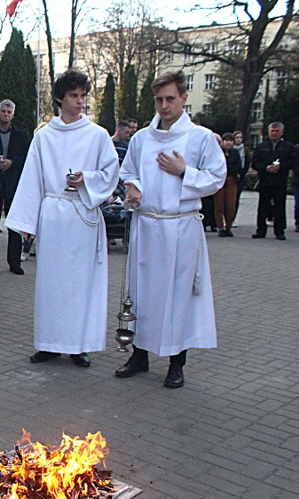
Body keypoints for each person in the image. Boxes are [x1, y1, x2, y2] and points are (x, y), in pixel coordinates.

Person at [115, 70, 226, 388]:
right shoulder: (141, 138)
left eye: (170, 99)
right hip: (147, 226)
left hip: (179, 228)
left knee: (177, 297)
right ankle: (139, 355)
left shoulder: (201, 138)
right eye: (159, 100)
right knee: (142, 294)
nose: (164, 106)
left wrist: (185, 172)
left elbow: (216, 177)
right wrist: (133, 187)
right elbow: (129, 170)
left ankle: (177, 363)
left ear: (183, 98)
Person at [5, 69, 119, 369]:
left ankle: (79, 345)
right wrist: (26, 225)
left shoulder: (97, 135)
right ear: (59, 98)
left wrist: (87, 179)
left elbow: (110, 173)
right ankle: (50, 343)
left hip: (82, 215)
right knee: (51, 284)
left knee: (81, 284)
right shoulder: (44, 137)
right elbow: (32, 179)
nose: (80, 102)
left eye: (83, 95)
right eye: (73, 96)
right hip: (54, 214)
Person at [0, 99, 31, 275]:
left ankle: (14, 262)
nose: (5, 114)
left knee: (15, 225)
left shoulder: (22, 136)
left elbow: (27, 158)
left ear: (13, 115)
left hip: (13, 184)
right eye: (3, 111)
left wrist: (12, 163)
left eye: (9, 112)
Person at [251, 121, 295, 240]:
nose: (274, 133)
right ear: (268, 132)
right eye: (272, 131)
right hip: (265, 181)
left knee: (280, 207)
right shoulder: (261, 146)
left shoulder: (288, 146)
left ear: (281, 132)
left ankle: (279, 231)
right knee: (262, 207)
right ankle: (260, 230)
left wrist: (281, 167)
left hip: (280, 181)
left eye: (277, 131)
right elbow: (255, 162)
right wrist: (266, 168)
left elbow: (292, 162)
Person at [216, 132, 242, 236]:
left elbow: (238, 166)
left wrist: (228, 169)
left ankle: (228, 226)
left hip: (232, 179)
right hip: (220, 180)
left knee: (231, 205)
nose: (229, 143)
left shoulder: (235, 153)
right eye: (226, 140)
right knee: (219, 205)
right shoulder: (217, 152)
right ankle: (220, 227)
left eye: (231, 141)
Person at [231, 130, 251, 226]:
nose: (239, 139)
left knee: (236, 198)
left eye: (241, 137)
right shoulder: (230, 149)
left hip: (241, 176)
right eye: (237, 137)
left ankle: (233, 218)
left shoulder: (245, 150)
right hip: (231, 175)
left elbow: (247, 163)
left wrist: (242, 172)